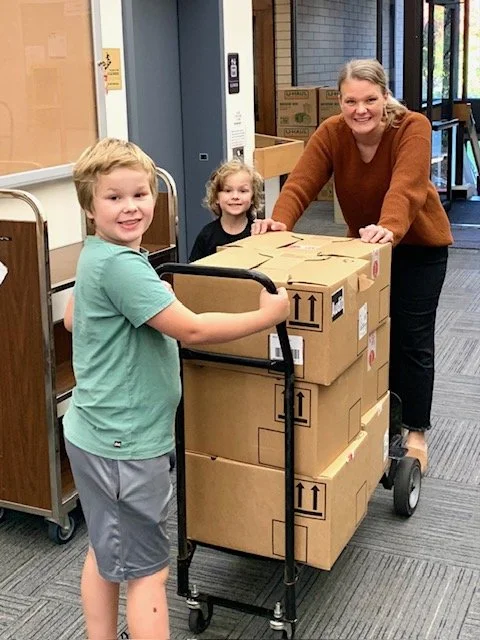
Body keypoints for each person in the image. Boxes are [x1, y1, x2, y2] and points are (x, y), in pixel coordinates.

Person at [63, 138, 289, 640]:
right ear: (88, 206)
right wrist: (267, 315)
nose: (131, 207)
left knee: (105, 548)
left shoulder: (101, 254)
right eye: (114, 197)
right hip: (127, 444)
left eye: (140, 194)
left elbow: (72, 317)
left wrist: (145, 298)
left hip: (93, 433)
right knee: (148, 573)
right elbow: (192, 330)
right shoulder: (123, 266)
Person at [252, 58, 453, 473]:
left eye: (369, 100)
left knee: (411, 339)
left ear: (385, 98)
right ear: (340, 102)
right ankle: (377, 413)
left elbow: (408, 185)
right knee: (368, 333)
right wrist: (280, 220)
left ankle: (415, 429)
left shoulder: (411, 126)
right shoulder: (332, 132)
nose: (360, 109)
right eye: (350, 101)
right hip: (365, 249)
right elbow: (302, 180)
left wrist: (388, 227)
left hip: (417, 248)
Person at [189, 158, 263, 261]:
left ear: (253, 198)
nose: (235, 196)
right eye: (228, 191)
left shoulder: (257, 233)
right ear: (216, 197)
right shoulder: (207, 235)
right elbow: (192, 272)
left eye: (243, 191)